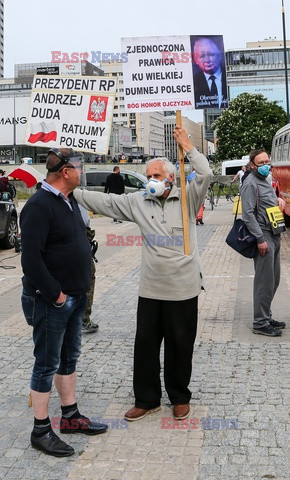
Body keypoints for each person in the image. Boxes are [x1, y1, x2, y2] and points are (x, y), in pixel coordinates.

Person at [74, 126, 213, 421]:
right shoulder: (139, 202)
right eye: (149, 176)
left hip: (183, 288)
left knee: (180, 345)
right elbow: (107, 202)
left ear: (171, 179)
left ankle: (179, 396)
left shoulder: (188, 198)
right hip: (151, 289)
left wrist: (189, 147)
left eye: (157, 176)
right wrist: (72, 190)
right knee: (146, 346)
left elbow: (206, 175)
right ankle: (146, 398)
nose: (152, 181)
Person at [20, 148, 107, 458]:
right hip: (51, 300)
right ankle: (40, 430)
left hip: (75, 296)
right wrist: (56, 295)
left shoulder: (68, 201)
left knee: (69, 357)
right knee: (46, 363)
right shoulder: (38, 205)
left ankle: (70, 416)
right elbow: (30, 260)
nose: (81, 171)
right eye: (78, 167)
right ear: (66, 171)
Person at [241, 148, 287, 337]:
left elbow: (267, 200)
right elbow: (248, 214)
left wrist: (277, 200)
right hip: (264, 235)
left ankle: (266, 315)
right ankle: (260, 323)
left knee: (274, 280)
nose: (266, 166)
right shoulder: (250, 183)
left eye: (267, 162)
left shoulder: (264, 180)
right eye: (261, 163)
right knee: (264, 282)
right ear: (252, 165)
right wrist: (260, 239)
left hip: (275, 232)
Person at [192, 37, 228, 109]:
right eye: (202, 56)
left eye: (211, 54)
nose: (207, 60)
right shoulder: (194, 82)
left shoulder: (228, 76)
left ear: (219, 55)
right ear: (196, 60)